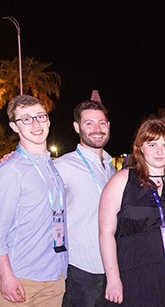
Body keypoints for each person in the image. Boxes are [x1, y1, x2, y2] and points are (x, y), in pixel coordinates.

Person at [99, 119, 165, 306]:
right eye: (152, 144)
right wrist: (113, 278)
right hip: (135, 274)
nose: (160, 151)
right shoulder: (122, 180)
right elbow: (106, 232)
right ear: (140, 147)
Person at [0, 95, 68, 306]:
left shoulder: (50, 165)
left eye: (40, 116)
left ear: (48, 120)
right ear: (14, 126)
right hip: (22, 278)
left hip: (55, 275)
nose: (36, 124)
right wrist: (6, 276)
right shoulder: (12, 170)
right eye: (26, 119)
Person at [54, 100, 114, 307]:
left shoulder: (111, 168)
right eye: (89, 123)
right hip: (80, 269)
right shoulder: (63, 166)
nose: (97, 129)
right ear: (76, 127)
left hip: (111, 267)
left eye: (102, 123)